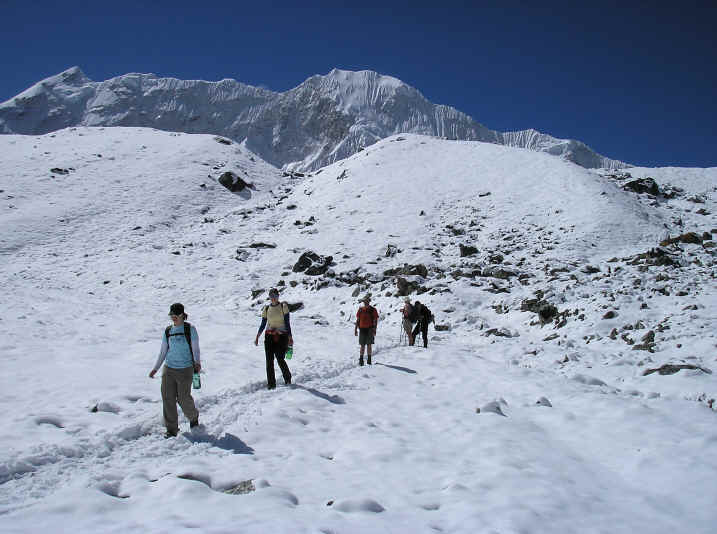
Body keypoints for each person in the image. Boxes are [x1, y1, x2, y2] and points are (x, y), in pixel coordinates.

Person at [149, 303, 200, 438]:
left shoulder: (190, 329)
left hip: (185, 369)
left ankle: (193, 417)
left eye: (176, 315)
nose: (173, 318)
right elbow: (163, 352)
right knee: (167, 398)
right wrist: (156, 368)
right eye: (171, 315)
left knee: (183, 398)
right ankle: (171, 429)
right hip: (169, 369)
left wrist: (197, 362)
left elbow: (195, 349)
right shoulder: (168, 331)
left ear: (182, 315)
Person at [255, 288, 292, 389]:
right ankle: (271, 385)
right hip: (269, 336)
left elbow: (287, 323)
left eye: (275, 296)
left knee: (280, 358)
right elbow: (263, 323)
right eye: (271, 297)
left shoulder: (283, 306)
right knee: (269, 361)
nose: (273, 299)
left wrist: (290, 337)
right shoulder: (266, 309)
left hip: (282, 336)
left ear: (278, 296)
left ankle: (287, 378)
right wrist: (258, 335)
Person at [354, 295, 379, 365]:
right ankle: (362, 360)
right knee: (363, 345)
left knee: (368, 345)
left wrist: (374, 329)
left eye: (366, 301)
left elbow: (375, 320)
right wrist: (355, 329)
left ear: (369, 301)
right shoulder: (361, 309)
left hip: (369, 329)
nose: (365, 302)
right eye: (365, 301)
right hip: (362, 329)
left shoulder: (372, 309)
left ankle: (368, 360)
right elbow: (358, 320)